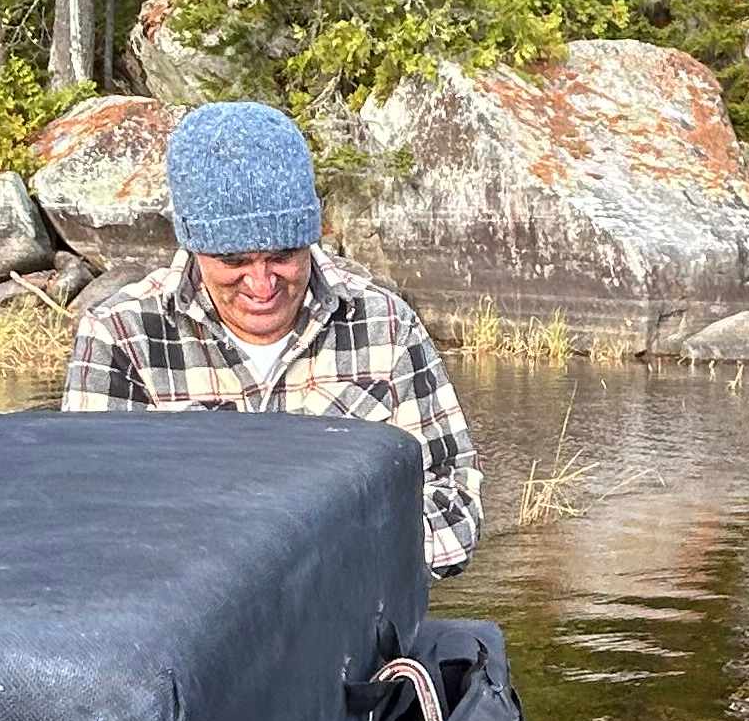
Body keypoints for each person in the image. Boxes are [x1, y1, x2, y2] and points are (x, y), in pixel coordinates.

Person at [61, 100, 482, 572]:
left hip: (352, 613)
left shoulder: (386, 325)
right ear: (193, 245)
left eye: (282, 256)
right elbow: (88, 527)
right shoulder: (119, 336)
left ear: (310, 238)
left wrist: (333, 558)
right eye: (234, 261)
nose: (261, 285)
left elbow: (455, 501)